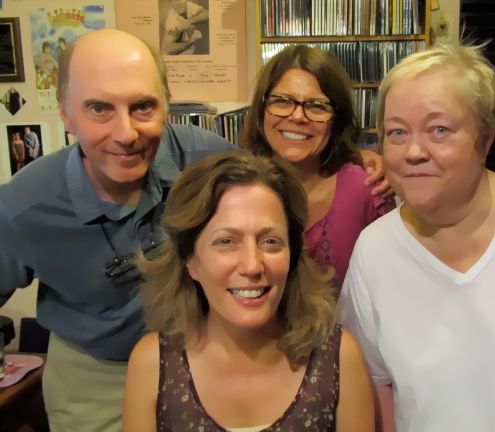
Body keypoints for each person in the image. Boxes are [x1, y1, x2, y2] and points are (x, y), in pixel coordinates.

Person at [0, 29, 234, 432]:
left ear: (166, 104)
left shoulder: (210, 161)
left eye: (143, 106)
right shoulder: (22, 208)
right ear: (66, 114)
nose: (126, 134)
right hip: (97, 376)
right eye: (99, 108)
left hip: (203, 357)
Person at [339, 42, 495, 432]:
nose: (414, 151)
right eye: (397, 132)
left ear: (485, 139)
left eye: (439, 130)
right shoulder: (375, 250)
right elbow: (376, 383)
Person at [123, 150, 375, 431]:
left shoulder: (339, 357)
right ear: (190, 260)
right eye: (226, 242)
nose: (253, 265)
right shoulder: (152, 364)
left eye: (270, 241)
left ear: (292, 255)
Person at [244, 45, 394, 292]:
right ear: (261, 111)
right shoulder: (235, 189)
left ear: (336, 120)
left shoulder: (366, 190)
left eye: (317, 106)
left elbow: (388, 287)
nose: (297, 116)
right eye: (282, 101)